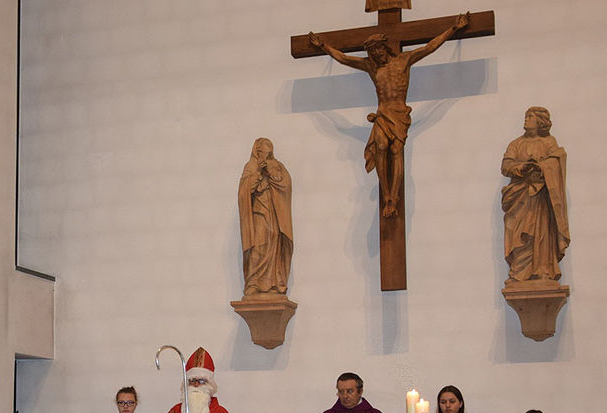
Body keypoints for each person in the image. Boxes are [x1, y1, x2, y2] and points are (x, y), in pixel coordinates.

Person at [308, 13, 469, 218]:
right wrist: (323, 46)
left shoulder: (404, 60)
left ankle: (394, 195)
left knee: (395, 150)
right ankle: (387, 195)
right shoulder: (371, 67)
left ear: (385, 47)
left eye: (379, 49)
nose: (377, 53)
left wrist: (453, 29)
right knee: (381, 147)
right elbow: (344, 58)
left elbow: (429, 47)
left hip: (399, 113)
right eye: (373, 51)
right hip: (383, 113)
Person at [501, 106, 570, 284]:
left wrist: (542, 168)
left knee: (540, 233)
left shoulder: (549, 143)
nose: (526, 119)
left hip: (540, 197)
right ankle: (518, 273)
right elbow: (506, 166)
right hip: (520, 197)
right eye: (526, 116)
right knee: (518, 234)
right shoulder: (516, 144)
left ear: (540, 122)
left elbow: (556, 160)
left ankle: (542, 270)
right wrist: (522, 168)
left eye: (530, 116)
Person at [237, 137, 293, 297]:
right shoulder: (251, 167)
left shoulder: (278, 166)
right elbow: (244, 193)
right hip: (258, 214)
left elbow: (285, 185)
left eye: (269, 152)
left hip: (274, 216)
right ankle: (253, 283)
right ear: (257, 151)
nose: (265, 155)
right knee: (258, 247)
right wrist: (257, 173)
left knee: (274, 245)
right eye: (262, 152)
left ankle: (274, 283)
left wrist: (270, 172)